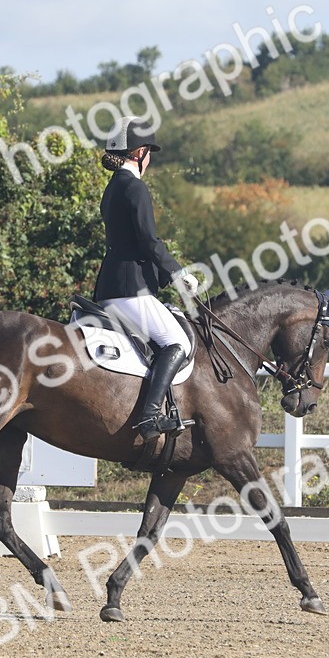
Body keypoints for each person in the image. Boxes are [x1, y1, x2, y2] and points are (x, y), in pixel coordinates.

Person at [93, 116, 200, 442]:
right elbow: (148, 241)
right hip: (130, 291)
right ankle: (150, 416)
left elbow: (128, 245)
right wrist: (179, 274)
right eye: (149, 152)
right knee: (177, 342)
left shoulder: (113, 188)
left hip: (110, 288)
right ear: (140, 152)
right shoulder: (136, 187)